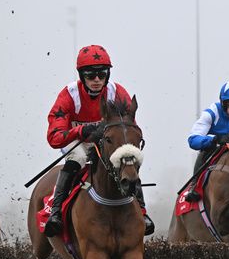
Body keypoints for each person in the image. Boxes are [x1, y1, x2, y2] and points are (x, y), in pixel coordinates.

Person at [44, 45, 154, 236]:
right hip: (77, 139)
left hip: (106, 140)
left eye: (101, 74)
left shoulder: (117, 92)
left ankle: (142, 212)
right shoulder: (69, 95)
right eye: (90, 75)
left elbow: (131, 127)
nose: (96, 80)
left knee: (127, 159)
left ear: (107, 75)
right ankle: (56, 213)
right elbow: (54, 137)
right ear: (81, 75)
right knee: (78, 158)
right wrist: (80, 130)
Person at [182, 81, 229, 202]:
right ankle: (195, 186)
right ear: (223, 104)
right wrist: (215, 139)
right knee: (205, 152)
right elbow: (193, 140)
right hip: (214, 153)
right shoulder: (212, 113)